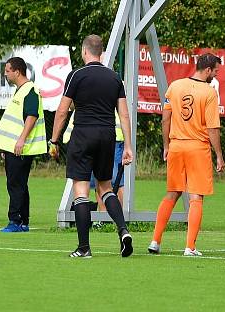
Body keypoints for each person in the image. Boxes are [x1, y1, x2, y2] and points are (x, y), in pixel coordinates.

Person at [49, 35, 134, 258]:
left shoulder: (76, 75)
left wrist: (54, 140)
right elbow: (124, 114)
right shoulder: (114, 77)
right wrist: (128, 145)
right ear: (101, 51)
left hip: (83, 134)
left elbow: (62, 111)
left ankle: (84, 247)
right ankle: (123, 231)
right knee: (105, 188)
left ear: (85, 52)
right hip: (107, 135)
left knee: (81, 190)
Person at [147, 53, 225, 257]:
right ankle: (190, 246)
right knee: (196, 197)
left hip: (176, 146)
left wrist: (166, 145)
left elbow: (165, 119)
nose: (216, 75)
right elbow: (212, 128)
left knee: (172, 193)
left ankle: (155, 241)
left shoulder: (175, 86)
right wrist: (219, 155)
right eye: (215, 71)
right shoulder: (209, 92)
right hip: (197, 148)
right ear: (207, 70)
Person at [0, 57, 47, 232]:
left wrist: (21, 140)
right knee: (20, 184)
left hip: (21, 147)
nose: (5, 74)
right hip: (14, 147)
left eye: (7, 70)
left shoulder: (30, 90)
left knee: (15, 184)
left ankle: (15, 221)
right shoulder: (22, 90)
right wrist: (6, 146)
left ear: (17, 72)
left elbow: (32, 116)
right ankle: (23, 222)